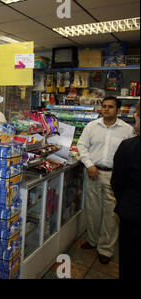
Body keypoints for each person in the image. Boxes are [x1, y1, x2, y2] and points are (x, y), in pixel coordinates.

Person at [77, 95, 134, 264]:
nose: (106, 109)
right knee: (93, 210)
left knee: (111, 214)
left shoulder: (126, 130)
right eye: (104, 106)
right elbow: (82, 146)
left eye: (110, 106)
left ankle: (106, 249)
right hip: (93, 173)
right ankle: (93, 240)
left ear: (117, 110)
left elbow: (129, 154)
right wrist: (89, 164)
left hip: (114, 176)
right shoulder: (91, 126)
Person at [111, 101, 140, 279]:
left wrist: (127, 203)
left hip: (133, 216)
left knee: (130, 262)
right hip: (131, 211)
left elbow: (118, 183)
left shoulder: (129, 146)